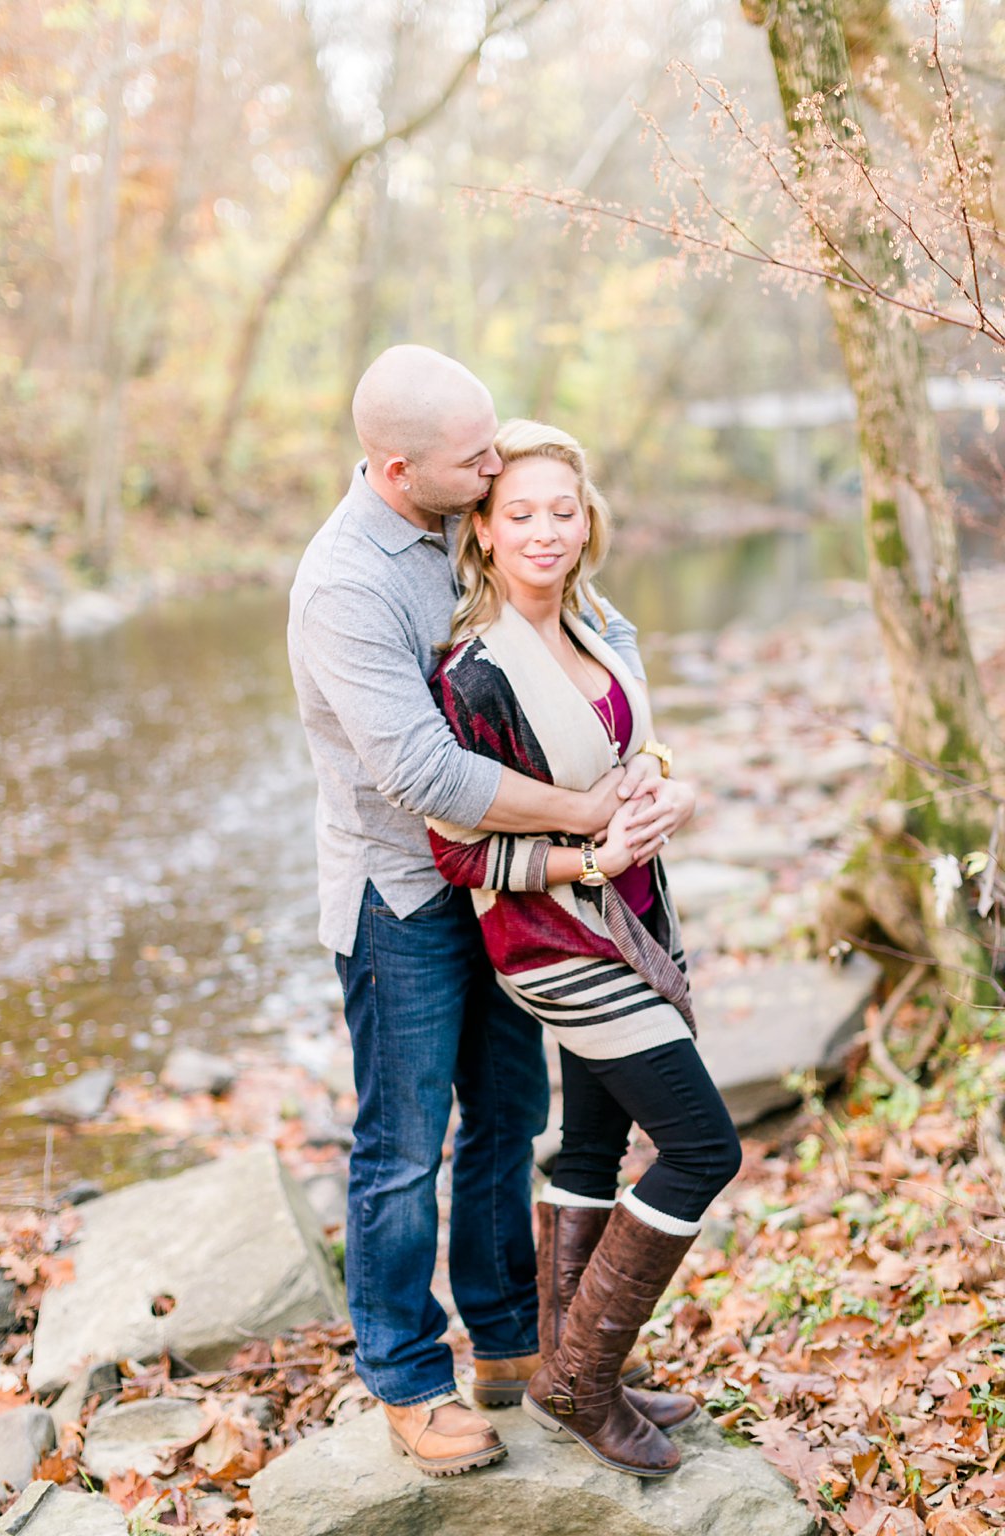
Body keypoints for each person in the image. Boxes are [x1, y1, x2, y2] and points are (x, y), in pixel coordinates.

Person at [287, 345, 697, 1477]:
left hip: (505, 889)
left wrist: (647, 766)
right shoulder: (344, 585)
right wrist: (582, 817)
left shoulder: (461, 525)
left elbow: (589, 640)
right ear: (396, 464)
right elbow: (429, 777)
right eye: (474, 460)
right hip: (402, 895)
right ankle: (408, 1381)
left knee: (506, 1121)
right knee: (399, 1146)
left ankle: (515, 1347)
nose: (491, 470)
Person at [425, 419, 740, 1478]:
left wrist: (669, 790)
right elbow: (459, 853)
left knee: (594, 1147)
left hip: (631, 919)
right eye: (519, 513)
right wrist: (590, 862)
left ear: (586, 517)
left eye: (562, 509)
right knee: (703, 1148)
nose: (544, 530)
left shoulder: (592, 626)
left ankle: (574, 1361)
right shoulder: (474, 675)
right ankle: (575, 1381)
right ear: (480, 528)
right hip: (557, 941)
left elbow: (626, 755)